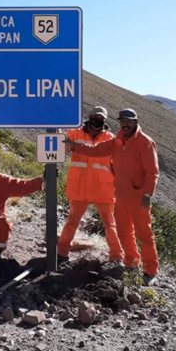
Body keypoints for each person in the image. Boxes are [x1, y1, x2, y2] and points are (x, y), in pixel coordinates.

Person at [67, 108, 160, 285]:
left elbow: (152, 172)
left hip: (139, 197)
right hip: (120, 195)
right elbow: (95, 150)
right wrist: (74, 145)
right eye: (122, 121)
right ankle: (131, 264)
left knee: (144, 234)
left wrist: (148, 194)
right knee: (124, 233)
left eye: (129, 121)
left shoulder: (145, 142)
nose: (125, 124)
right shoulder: (117, 140)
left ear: (135, 121)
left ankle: (150, 271)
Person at [57, 106, 122, 264]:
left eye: (100, 119)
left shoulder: (110, 139)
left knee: (110, 224)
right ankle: (62, 253)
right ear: (89, 117)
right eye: (95, 117)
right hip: (80, 186)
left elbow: (117, 165)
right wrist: (56, 130)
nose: (97, 121)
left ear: (104, 121)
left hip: (103, 189)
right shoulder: (75, 133)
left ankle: (116, 257)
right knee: (72, 221)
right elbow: (61, 147)